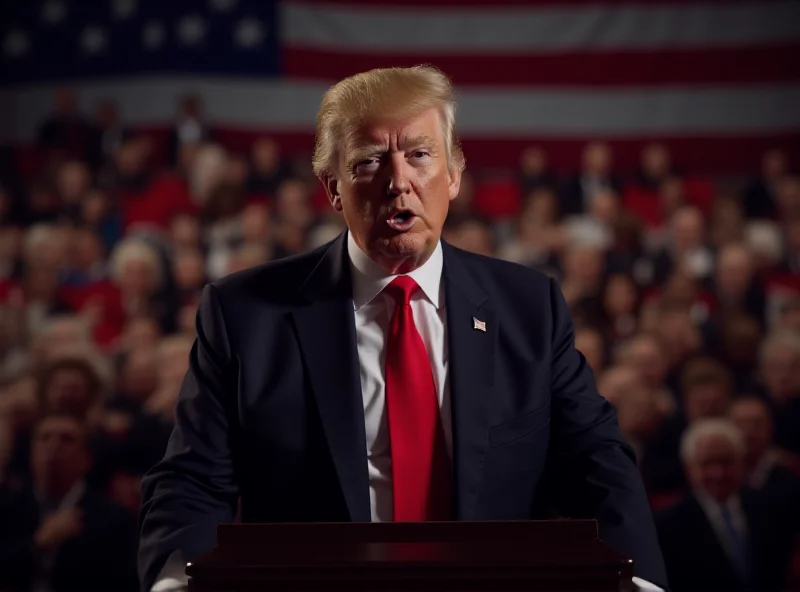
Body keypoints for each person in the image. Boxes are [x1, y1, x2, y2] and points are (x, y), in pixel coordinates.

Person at [138, 66, 667, 592]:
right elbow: (192, 480)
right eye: (369, 161)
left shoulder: (530, 307)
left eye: (419, 154)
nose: (398, 182)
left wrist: (638, 580)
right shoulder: (245, 314)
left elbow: (597, 461)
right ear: (333, 189)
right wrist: (175, 582)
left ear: (454, 174)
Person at [0, 413, 138, 592]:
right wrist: (37, 544)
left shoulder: (114, 519)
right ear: (31, 454)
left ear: (86, 459)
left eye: (66, 439)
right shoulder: (7, 509)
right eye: (44, 438)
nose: (53, 446)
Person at [655, 419, 797, 592]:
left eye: (726, 461)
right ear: (689, 468)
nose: (718, 473)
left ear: (741, 462)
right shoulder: (667, 525)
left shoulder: (770, 509)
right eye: (707, 463)